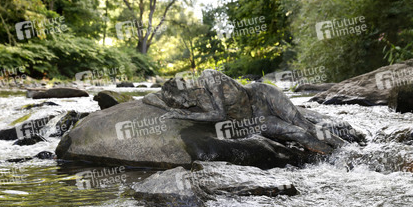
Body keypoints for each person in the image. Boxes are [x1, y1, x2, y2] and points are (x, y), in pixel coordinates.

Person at [143, 70, 343, 154]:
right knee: (297, 133)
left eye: (185, 101)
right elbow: (148, 98)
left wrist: (181, 114)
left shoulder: (209, 78)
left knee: (302, 123)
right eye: (182, 105)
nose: (186, 106)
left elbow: (219, 115)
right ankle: (332, 157)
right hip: (254, 120)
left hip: (261, 95)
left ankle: (345, 149)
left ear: (186, 87)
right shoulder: (184, 97)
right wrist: (168, 107)